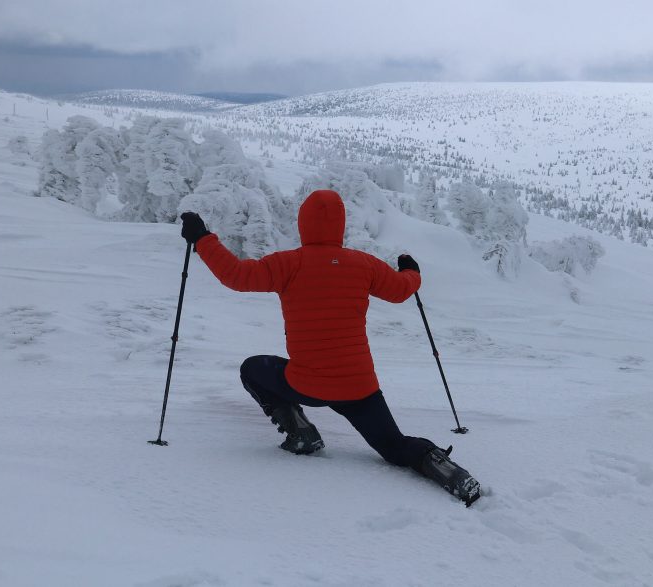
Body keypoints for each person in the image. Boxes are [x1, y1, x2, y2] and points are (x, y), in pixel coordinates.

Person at [180, 189, 480, 505]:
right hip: (359, 388)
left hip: (306, 384)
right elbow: (401, 291)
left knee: (253, 368)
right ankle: (445, 469)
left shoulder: (289, 264)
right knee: (393, 445)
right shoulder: (364, 265)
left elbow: (236, 276)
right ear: (340, 225)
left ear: (303, 223)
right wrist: (411, 271)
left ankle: (302, 434)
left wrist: (202, 239)